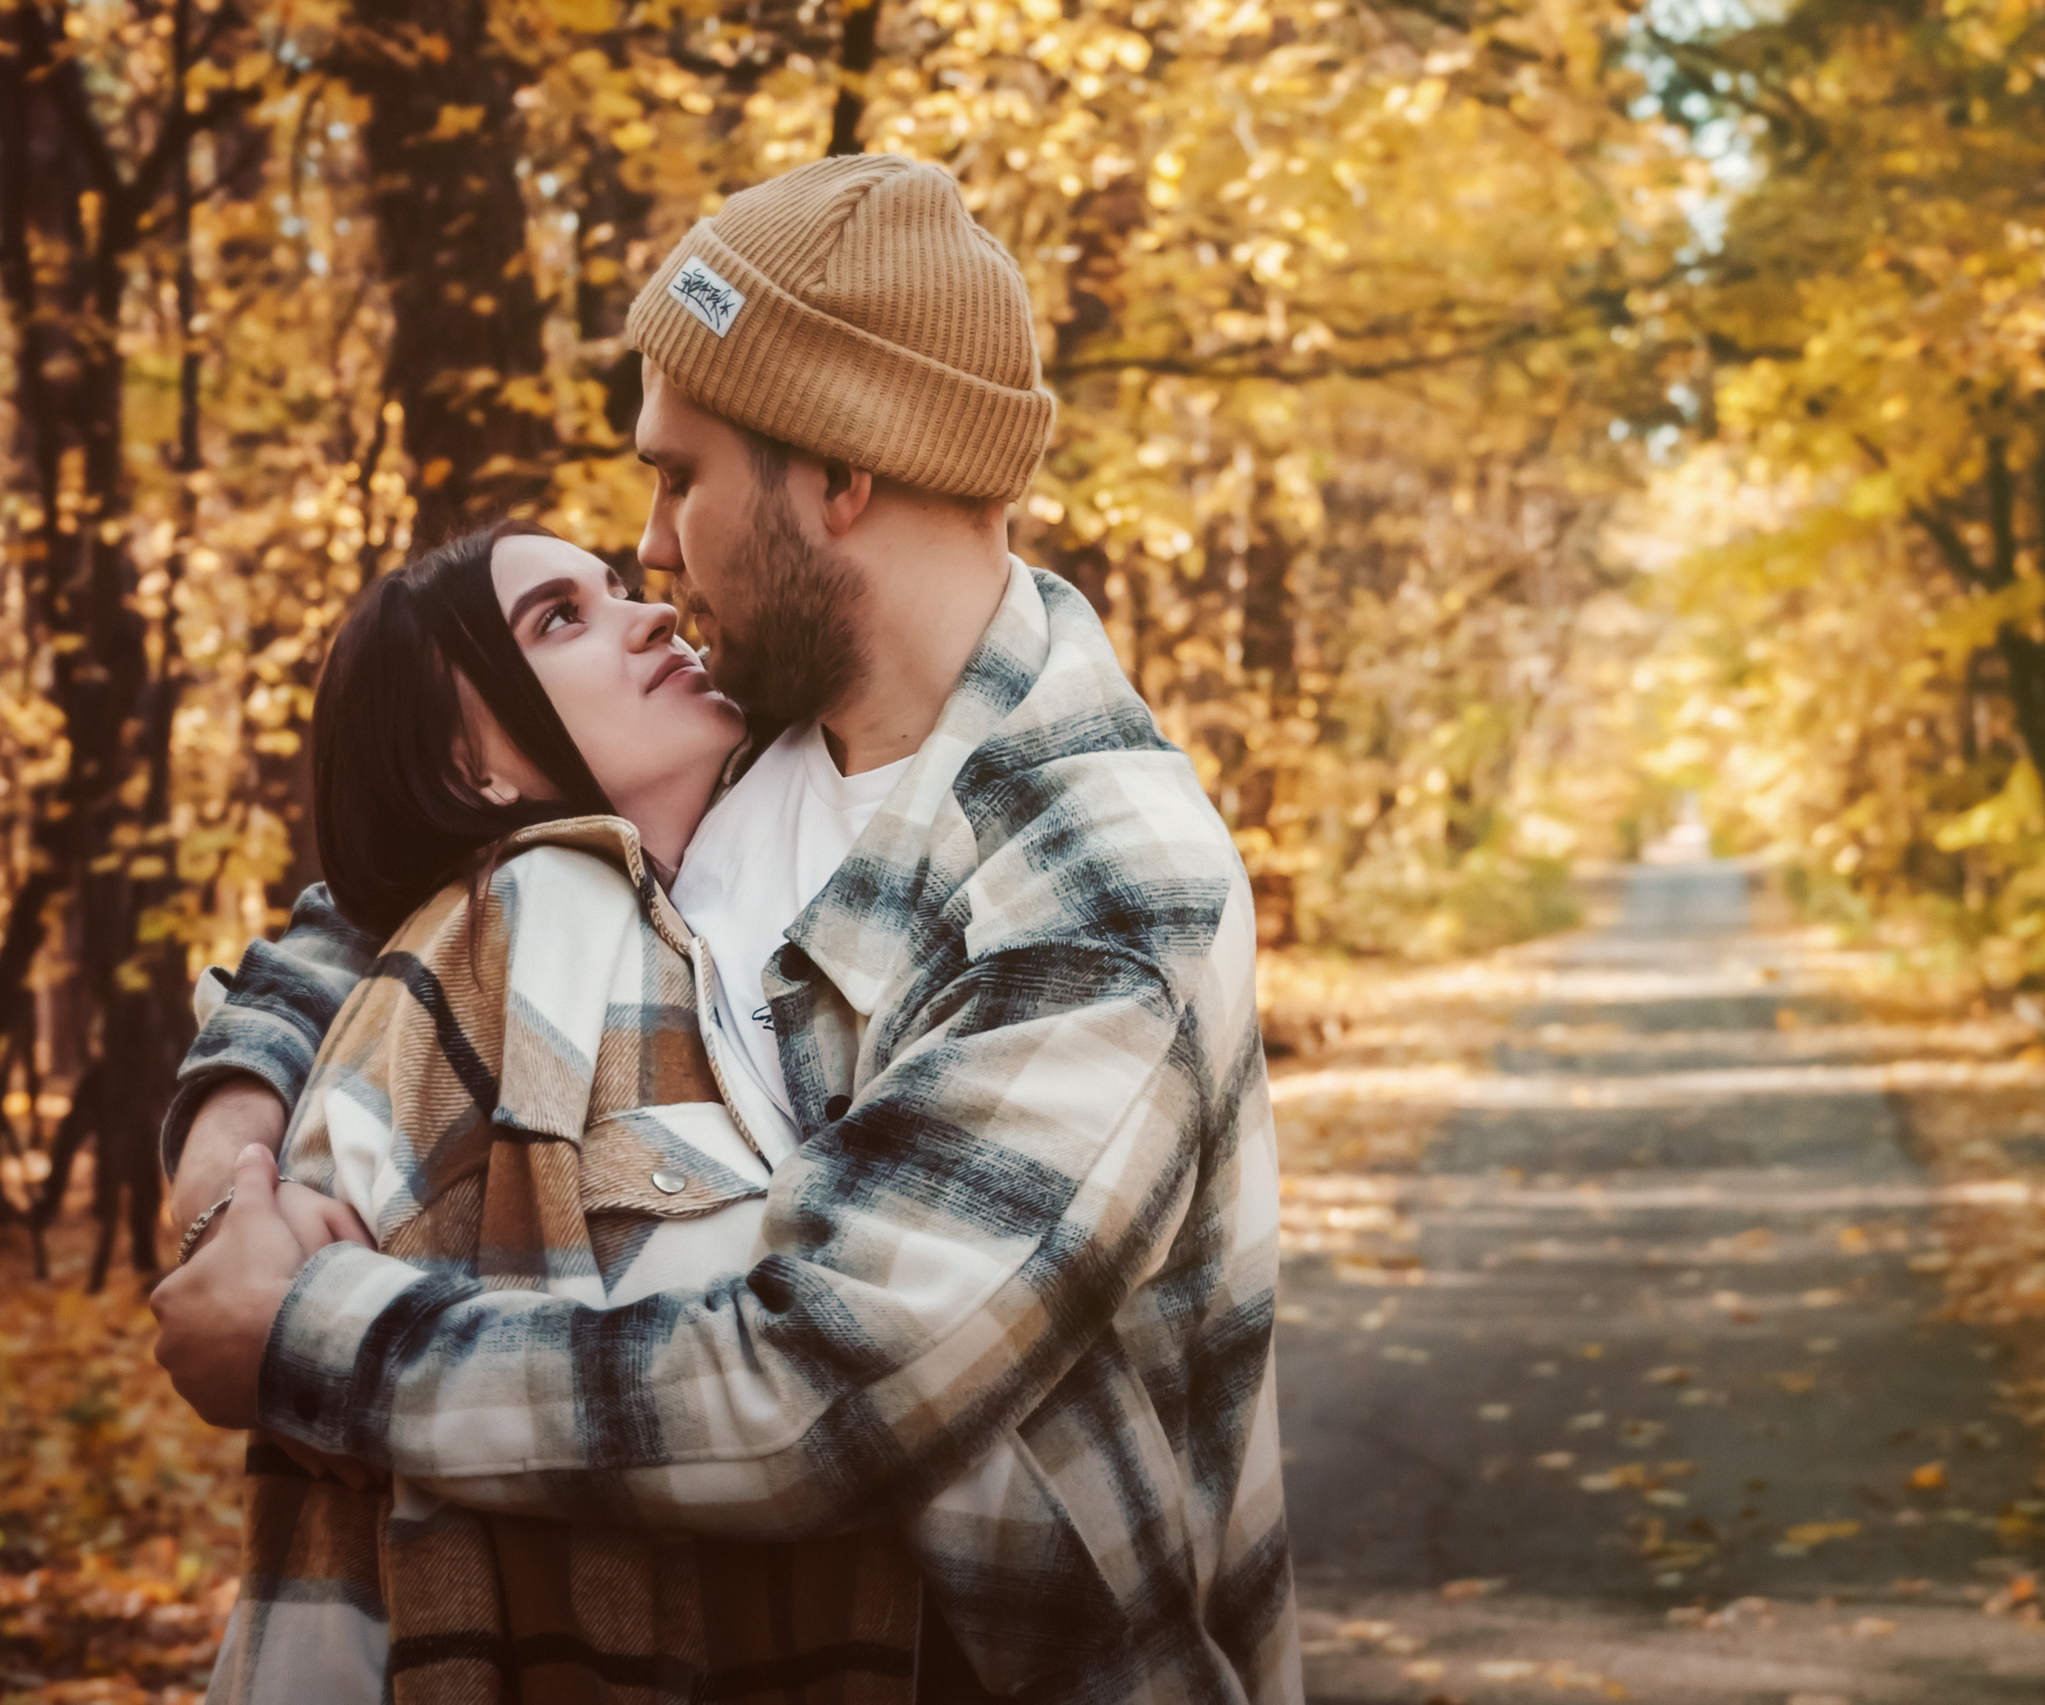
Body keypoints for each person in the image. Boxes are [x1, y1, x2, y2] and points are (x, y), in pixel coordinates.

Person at [152, 152, 1297, 1704]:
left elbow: (818, 1392)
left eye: (680, 475)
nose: (655, 548)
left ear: (841, 474)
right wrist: (229, 1161)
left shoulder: (1093, 876)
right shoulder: (748, 733)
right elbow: (378, 898)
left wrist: (305, 1338)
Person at [190, 516, 927, 1703]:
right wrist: (229, 1186)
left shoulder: (789, 848)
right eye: (560, 619)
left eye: (619, 587)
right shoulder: (501, 942)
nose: (653, 612)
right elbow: (328, 1512)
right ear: (468, 769)